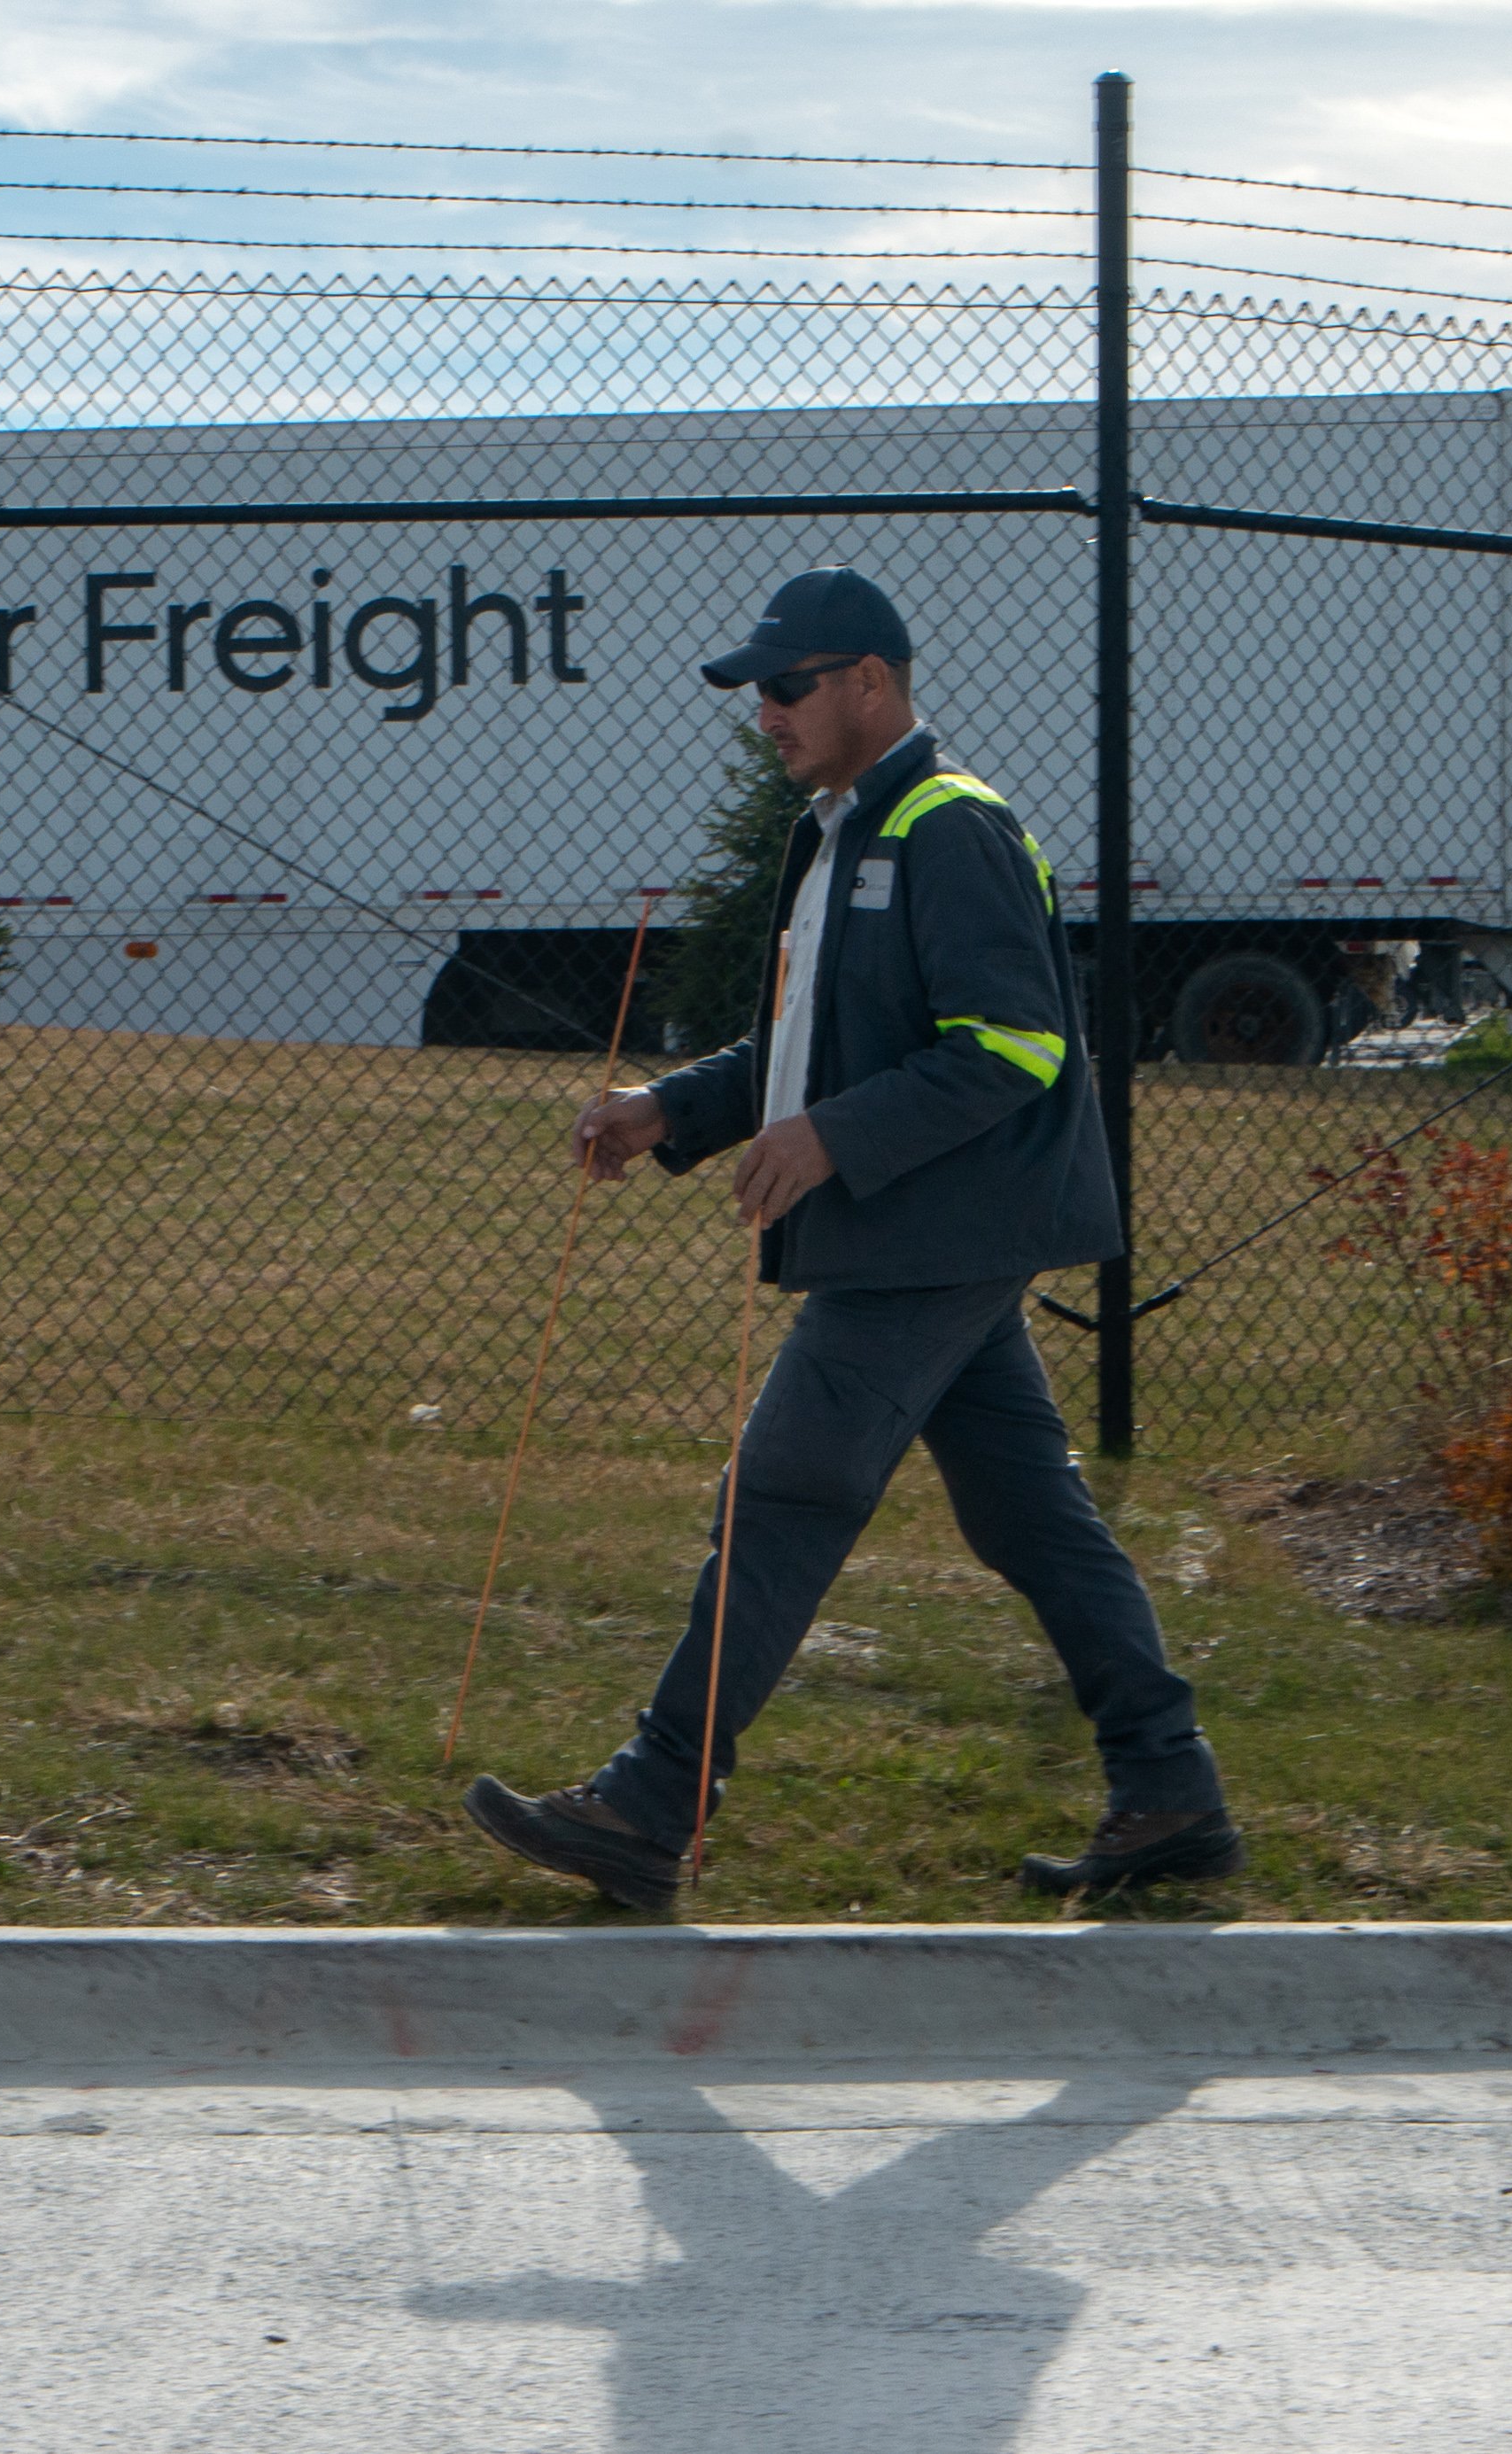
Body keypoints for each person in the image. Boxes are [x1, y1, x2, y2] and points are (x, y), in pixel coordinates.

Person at [461, 565, 1238, 1915]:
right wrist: (671, 1108)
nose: (760, 713)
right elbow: (813, 1045)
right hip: (933, 1231)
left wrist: (829, 1139)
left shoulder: (951, 827)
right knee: (1029, 1519)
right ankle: (1170, 1790)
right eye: (752, 691)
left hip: (931, 1233)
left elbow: (1015, 1044)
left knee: (780, 1490)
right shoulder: (840, 830)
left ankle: (650, 1805)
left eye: (783, 686)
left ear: (869, 682)